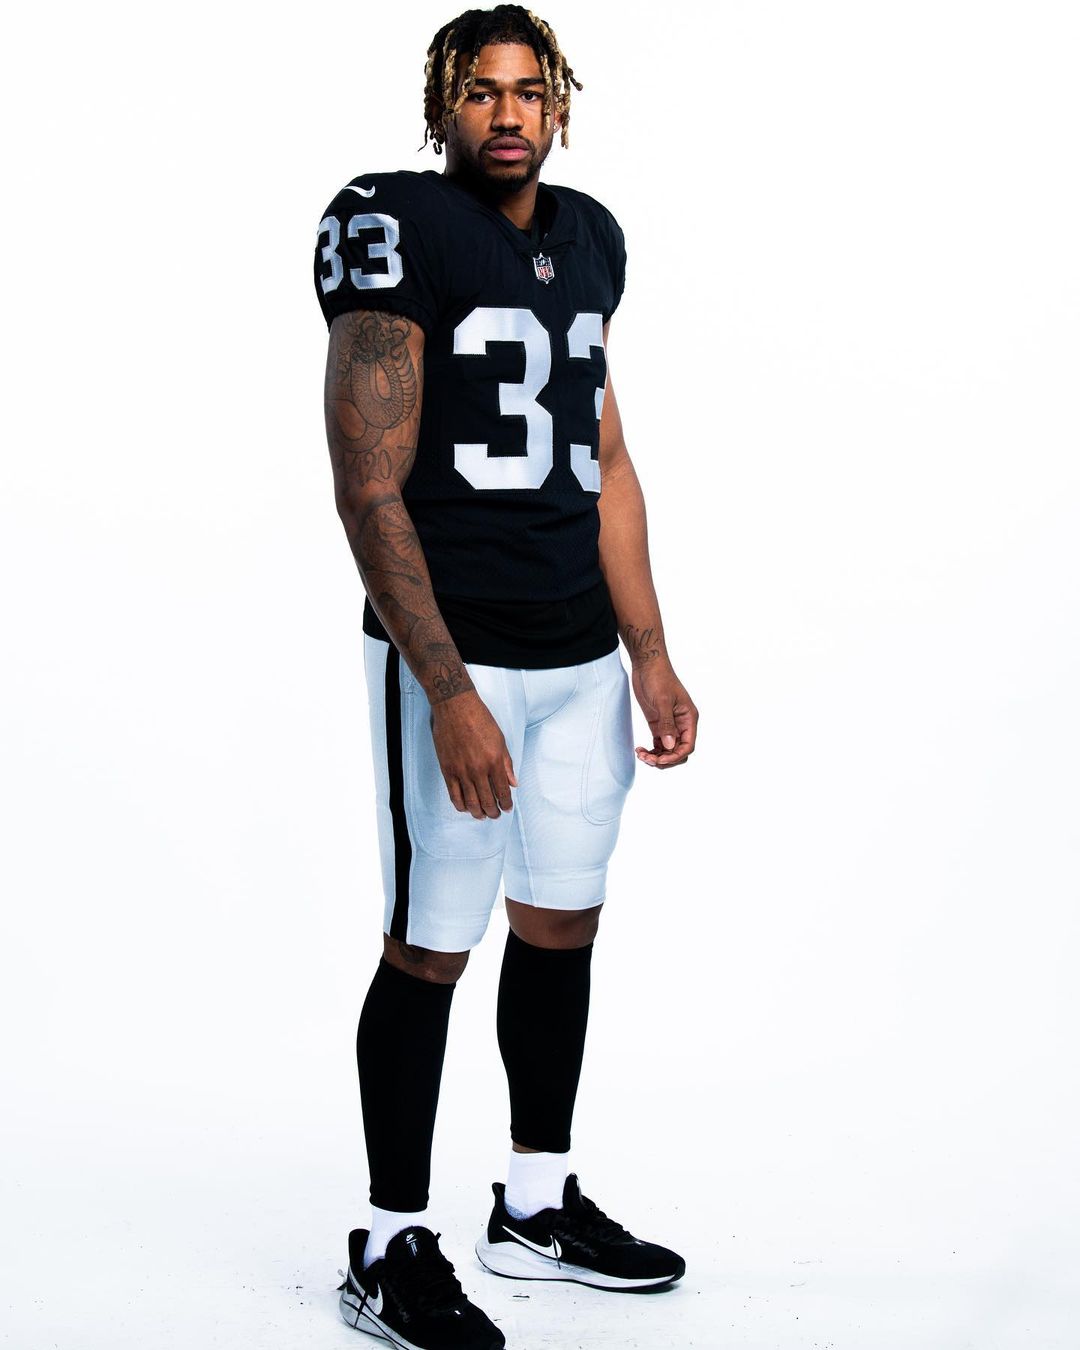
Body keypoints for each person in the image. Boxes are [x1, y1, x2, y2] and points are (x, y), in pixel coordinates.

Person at [314, 6, 698, 1346]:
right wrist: (447, 690)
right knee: (429, 944)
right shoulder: (396, 223)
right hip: (459, 647)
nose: (507, 112)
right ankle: (386, 1242)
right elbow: (368, 485)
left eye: (529, 90)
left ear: (560, 104)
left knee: (561, 924)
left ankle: (535, 1203)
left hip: (580, 652)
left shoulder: (589, 237)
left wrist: (650, 651)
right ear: (444, 107)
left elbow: (607, 457)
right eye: (479, 91)